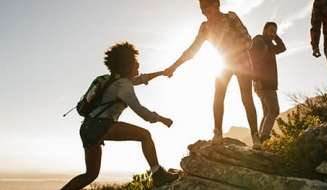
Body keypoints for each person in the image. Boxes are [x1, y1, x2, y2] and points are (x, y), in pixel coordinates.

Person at [61, 42, 178, 190]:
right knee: (145, 135)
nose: (138, 63)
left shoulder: (111, 79)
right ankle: (158, 175)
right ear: (127, 65)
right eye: (135, 61)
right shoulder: (124, 85)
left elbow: (140, 79)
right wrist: (161, 119)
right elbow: (141, 111)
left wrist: (162, 73)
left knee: (90, 175)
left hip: (87, 128)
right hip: (101, 126)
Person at [164, 0, 261, 147]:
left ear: (216, 4)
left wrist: (234, 51)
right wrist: (173, 67)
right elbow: (192, 50)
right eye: (202, 9)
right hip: (223, 64)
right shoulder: (205, 27)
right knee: (218, 96)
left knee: (247, 98)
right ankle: (218, 133)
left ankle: (255, 136)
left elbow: (247, 39)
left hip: (242, 61)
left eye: (206, 7)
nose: (204, 11)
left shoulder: (230, 17)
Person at [250, 22, 286, 143]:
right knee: (274, 110)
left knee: (267, 113)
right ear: (264, 30)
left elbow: (282, 48)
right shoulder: (259, 40)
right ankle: (263, 137)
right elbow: (253, 60)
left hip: (268, 84)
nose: (272, 34)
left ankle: (259, 141)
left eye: (275, 32)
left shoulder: (270, 45)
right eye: (271, 31)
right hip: (263, 83)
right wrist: (257, 79)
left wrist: (275, 36)